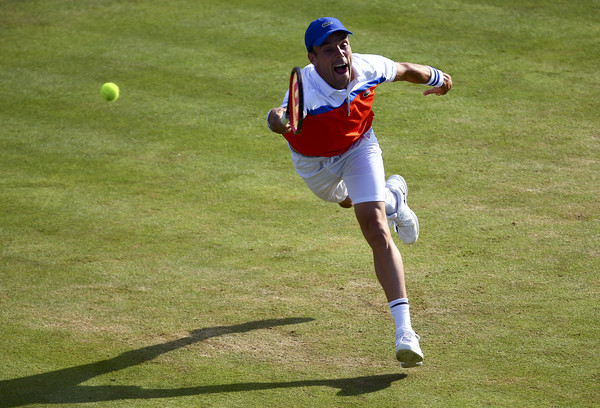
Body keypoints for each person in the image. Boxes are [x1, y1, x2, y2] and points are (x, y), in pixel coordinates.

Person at [266, 17, 452, 368]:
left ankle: (406, 333)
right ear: (313, 58)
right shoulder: (304, 91)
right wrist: (280, 122)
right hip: (314, 165)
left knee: (374, 225)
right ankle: (395, 195)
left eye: (343, 44)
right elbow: (277, 116)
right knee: (349, 202)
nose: (340, 53)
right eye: (328, 49)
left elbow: (403, 69)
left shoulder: (368, 67)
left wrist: (438, 78)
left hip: (358, 149)